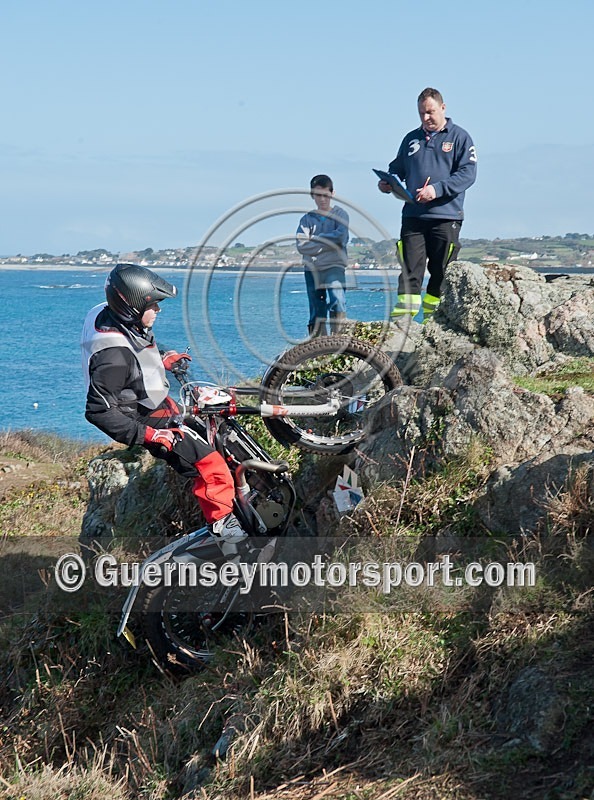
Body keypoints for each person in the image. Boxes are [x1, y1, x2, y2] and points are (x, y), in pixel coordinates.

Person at [80, 262, 249, 558]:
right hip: (147, 420)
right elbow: (99, 411)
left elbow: (136, 348)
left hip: (152, 401)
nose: (159, 310)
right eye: (154, 305)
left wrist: (162, 356)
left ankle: (244, 497)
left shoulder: (109, 314)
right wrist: (150, 436)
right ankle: (230, 541)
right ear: (131, 307)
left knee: (220, 424)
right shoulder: (113, 357)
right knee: (212, 468)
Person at [378, 87, 477, 320]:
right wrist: (388, 183)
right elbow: (397, 168)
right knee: (410, 268)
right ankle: (403, 322)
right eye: (421, 113)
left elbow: (468, 174)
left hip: (446, 216)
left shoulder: (460, 138)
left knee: (441, 271)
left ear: (443, 108)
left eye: (430, 112)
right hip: (413, 215)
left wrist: (436, 190)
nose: (426, 118)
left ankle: (436, 320)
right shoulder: (411, 139)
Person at [296, 174, 349, 336]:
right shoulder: (306, 220)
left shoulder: (341, 215)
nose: (322, 199)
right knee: (316, 308)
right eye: (318, 195)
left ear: (332, 194)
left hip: (335, 265)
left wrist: (317, 239)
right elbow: (302, 246)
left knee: (337, 300)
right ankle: (317, 344)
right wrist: (328, 244)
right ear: (312, 195)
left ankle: (337, 338)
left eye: (325, 195)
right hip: (312, 268)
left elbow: (341, 238)